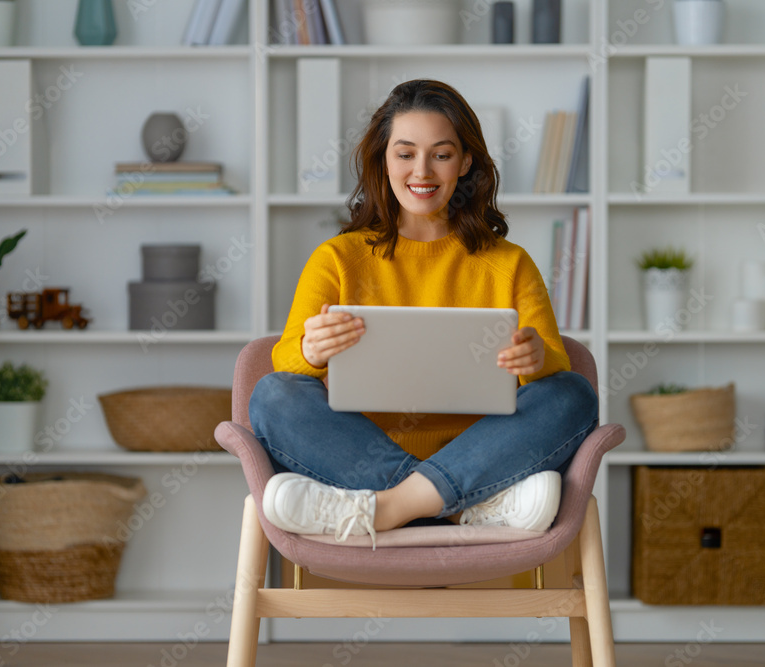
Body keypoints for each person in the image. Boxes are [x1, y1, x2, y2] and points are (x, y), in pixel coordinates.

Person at [250, 79, 598, 546]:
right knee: (273, 396)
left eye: (441, 153)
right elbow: (284, 366)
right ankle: (465, 510)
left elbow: (553, 368)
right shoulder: (336, 258)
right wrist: (310, 350)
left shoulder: (509, 263)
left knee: (573, 394)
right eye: (405, 152)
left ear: (465, 162)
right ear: (384, 160)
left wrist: (537, 360)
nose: (422, 170)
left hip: (484, 453)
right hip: (365, 453)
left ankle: (389, 508)